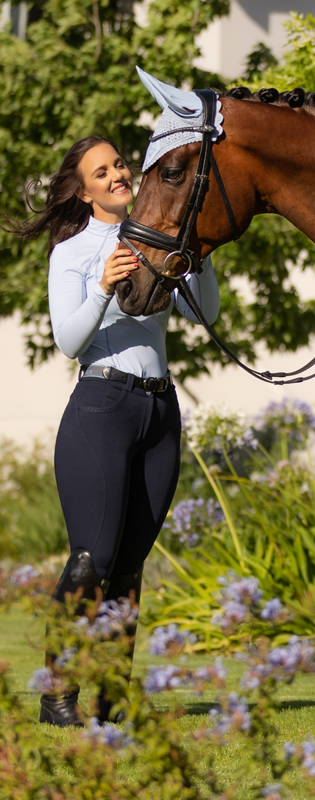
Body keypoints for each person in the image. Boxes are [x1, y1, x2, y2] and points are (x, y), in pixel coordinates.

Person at [9, 136, 220, 726]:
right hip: (101, 407)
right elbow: (68, 342)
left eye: (120, 164)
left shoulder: (156, 234)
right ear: (83, 189)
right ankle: (57, 696)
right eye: (101, 172)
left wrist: (198, 256)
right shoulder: (73, 253)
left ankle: (112, 699)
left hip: (159, 412)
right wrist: (103, 287)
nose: (117, 175)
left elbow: (205, 314)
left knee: (129, 567)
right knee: (89, 561)